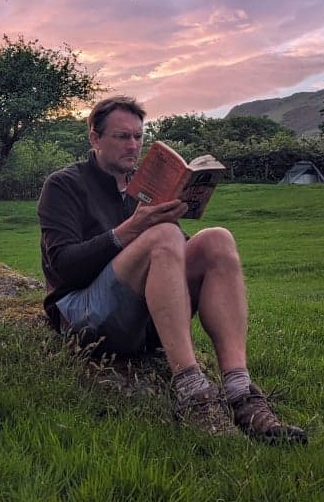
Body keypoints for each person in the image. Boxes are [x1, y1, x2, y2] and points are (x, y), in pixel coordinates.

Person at [37, 95, 307, 442]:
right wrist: (132, 229)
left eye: (138, 136)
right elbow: (64, 269)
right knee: (163, 235)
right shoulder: (63, 185)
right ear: (94, 138)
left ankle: (241, 393)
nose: (133, 145)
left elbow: (171, 253)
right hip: (84, 313)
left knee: (217, 240)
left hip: (142, 313)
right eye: (122, 137)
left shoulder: (146, 186)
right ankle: (192, 390)